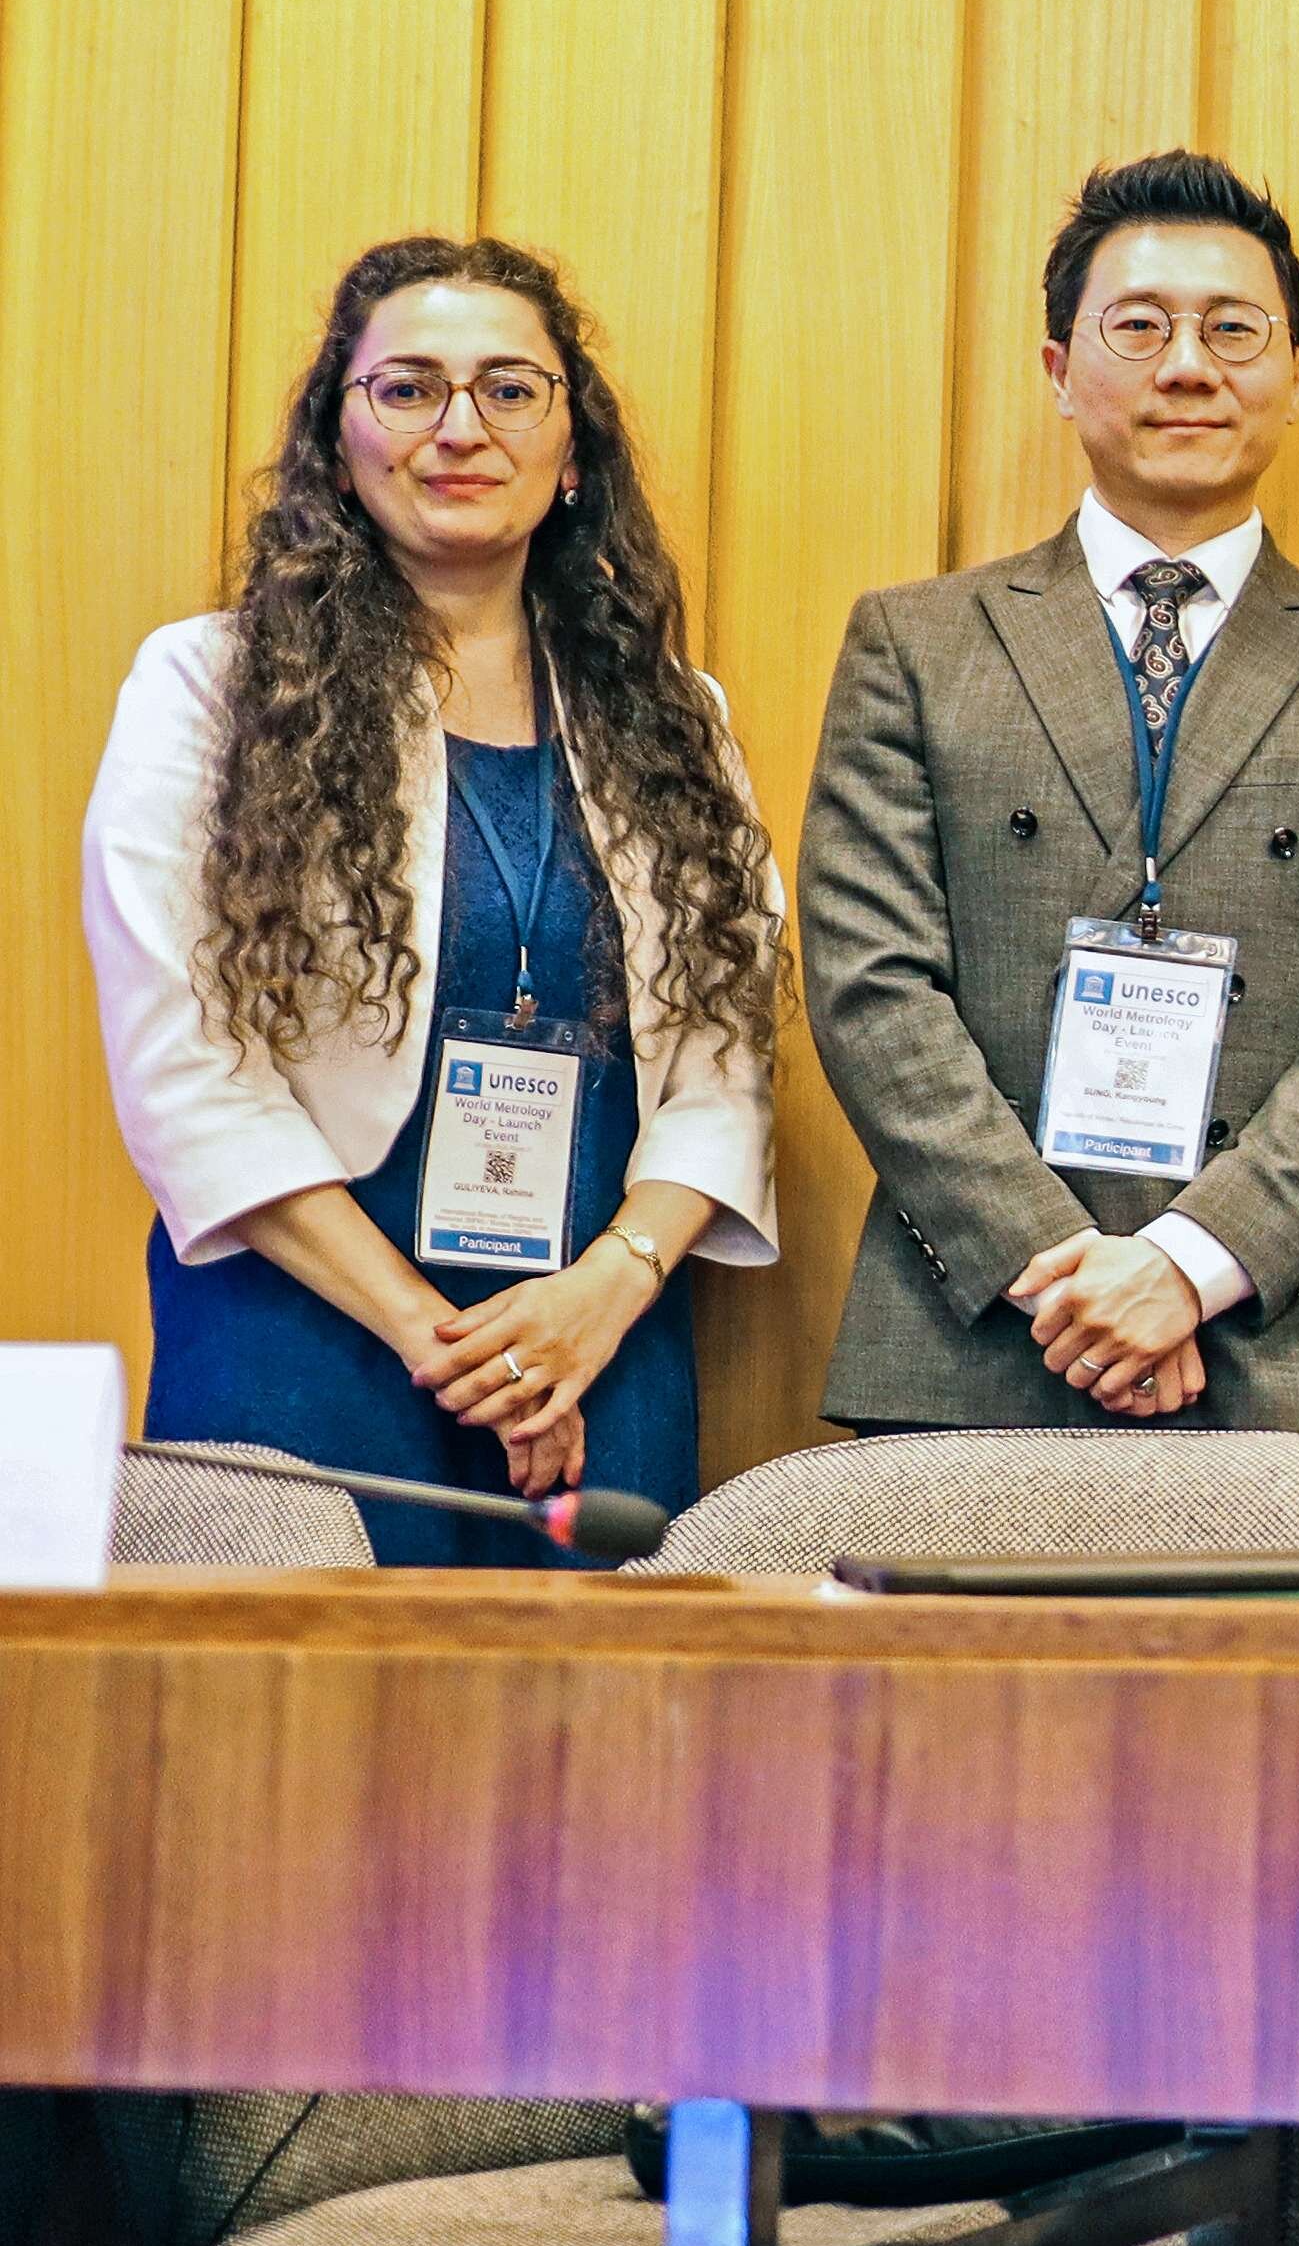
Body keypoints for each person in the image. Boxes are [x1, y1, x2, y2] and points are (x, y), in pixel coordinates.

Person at [87, 241, 787, 1564]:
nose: (461, 427)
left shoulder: (673, 717)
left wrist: (608, 1288)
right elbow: (183, 1066)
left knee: (588, 1695)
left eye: (509, 389)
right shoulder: (205, 689)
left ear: (572, 450)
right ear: (336, 440)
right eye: (408, 388)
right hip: (305, 1330)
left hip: (595, 1341)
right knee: (309, 1693)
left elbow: (727, 1056)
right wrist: (440, 1338)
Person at [803, 154, 1299, 1437]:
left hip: (1275, 1341)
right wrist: (1062, 1274)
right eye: (1140, 326)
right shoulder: (915, 644)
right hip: (975, 1333)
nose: (1187, 365)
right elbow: (869, 982)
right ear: (1060, 368)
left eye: (1234, 329)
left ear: (1298, 373)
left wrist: (1184, 1267)